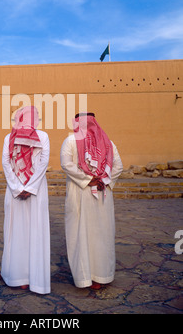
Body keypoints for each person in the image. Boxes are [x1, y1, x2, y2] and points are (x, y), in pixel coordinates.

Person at [60, 112, 123, 290]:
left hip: (81, 194)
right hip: (102, 193)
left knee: (81, 234)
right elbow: (118, 166)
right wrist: (103, 179)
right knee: (101, 234)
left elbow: (66, 164)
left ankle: (85, 277)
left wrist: (87, 179)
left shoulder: (70, 141)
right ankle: (101, 276)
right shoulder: (109, 143)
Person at [0, 106, 51, 295]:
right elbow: (42, 163)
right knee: (24, 230)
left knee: (20, 231)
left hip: (18, 189)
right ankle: (24, 276)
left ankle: (18, 276)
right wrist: (28, 187)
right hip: (31, 190)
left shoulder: (10, 137)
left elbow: (6, 163)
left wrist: (19, 187)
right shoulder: (42, 136)